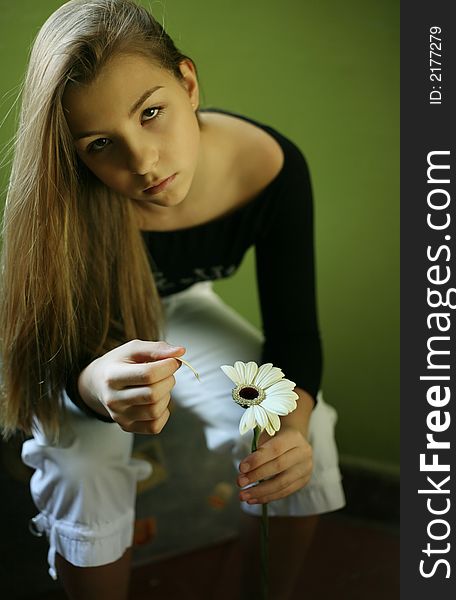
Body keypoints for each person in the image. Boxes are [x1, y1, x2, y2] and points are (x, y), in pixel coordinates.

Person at [0, 1, 345, 598]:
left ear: (188, 82)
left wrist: (292, 428)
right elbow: (41, 352)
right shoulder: (64, 201)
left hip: (181, 307)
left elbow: (295, 335)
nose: (142, 162)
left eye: (151, 113)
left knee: (301, 432)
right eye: (100, 143)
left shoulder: (270, 168)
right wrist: (92, 389)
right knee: (83, 465)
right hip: (84, 337)